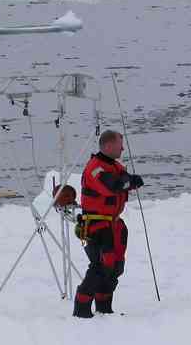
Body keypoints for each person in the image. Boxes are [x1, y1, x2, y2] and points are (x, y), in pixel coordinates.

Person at [73, 130, 145, 318]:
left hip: (114, 224)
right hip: (97, 225)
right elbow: (111, 186)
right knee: (101, 265)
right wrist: (127, 182)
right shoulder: (95, 168)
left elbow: (129, 180)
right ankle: (81, 306)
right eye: (119, 144)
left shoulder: (114, 166)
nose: (122, 148)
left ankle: (104, 307)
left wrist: (128, 181)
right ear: (107, 146)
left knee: (116, 267)